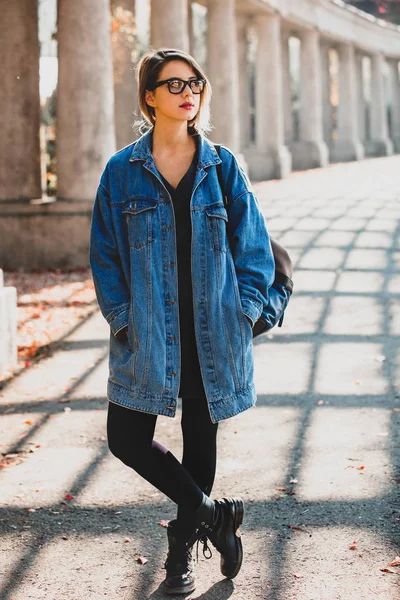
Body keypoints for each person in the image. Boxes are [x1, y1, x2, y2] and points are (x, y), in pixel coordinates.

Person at [89, 47, 275, 595]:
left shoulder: (223, 167)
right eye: (173, 85)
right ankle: (214, 515)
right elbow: (104, 255)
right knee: (125, 438)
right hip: (147, 329)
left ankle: (178, 561)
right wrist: (123, 320)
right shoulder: (121, 172)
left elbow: (255, 249)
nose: (187, 92)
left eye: (194, 82)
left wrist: (242, 313)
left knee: (199, 439)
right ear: (149, 97)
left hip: (212, 328)